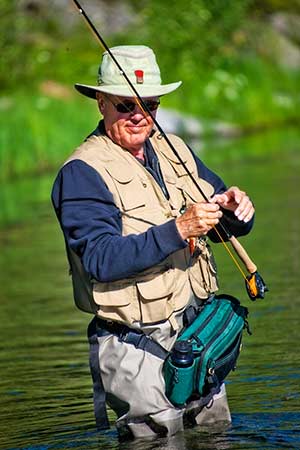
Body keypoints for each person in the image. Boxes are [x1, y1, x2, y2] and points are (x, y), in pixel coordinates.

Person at [51, 45, 255, 439]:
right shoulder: (81, 173)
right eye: (126, 105)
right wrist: (178, 229)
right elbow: (99, 259)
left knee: (217, 438)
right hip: (135, 349)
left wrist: (235, 211)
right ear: (101, 102)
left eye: (150, 105)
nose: (139, 116)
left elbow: (219, 224)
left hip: (199, 337)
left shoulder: (175, 149)